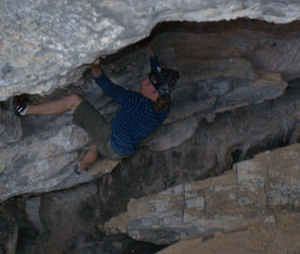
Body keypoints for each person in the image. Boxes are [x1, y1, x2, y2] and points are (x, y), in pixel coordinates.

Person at [13, 45, 179, 173]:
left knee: (74, 100)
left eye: (149, 84)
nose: (144, 82)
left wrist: (94, 64)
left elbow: (108, 88)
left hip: (111, 141)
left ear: (156, 95)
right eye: (147, 79)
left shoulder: (136, 102)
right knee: (95, 145)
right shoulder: (164, 106)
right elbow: (156, 72)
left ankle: (25, 110)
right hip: (123, 150)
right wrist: (150, 48)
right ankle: (80, 168)